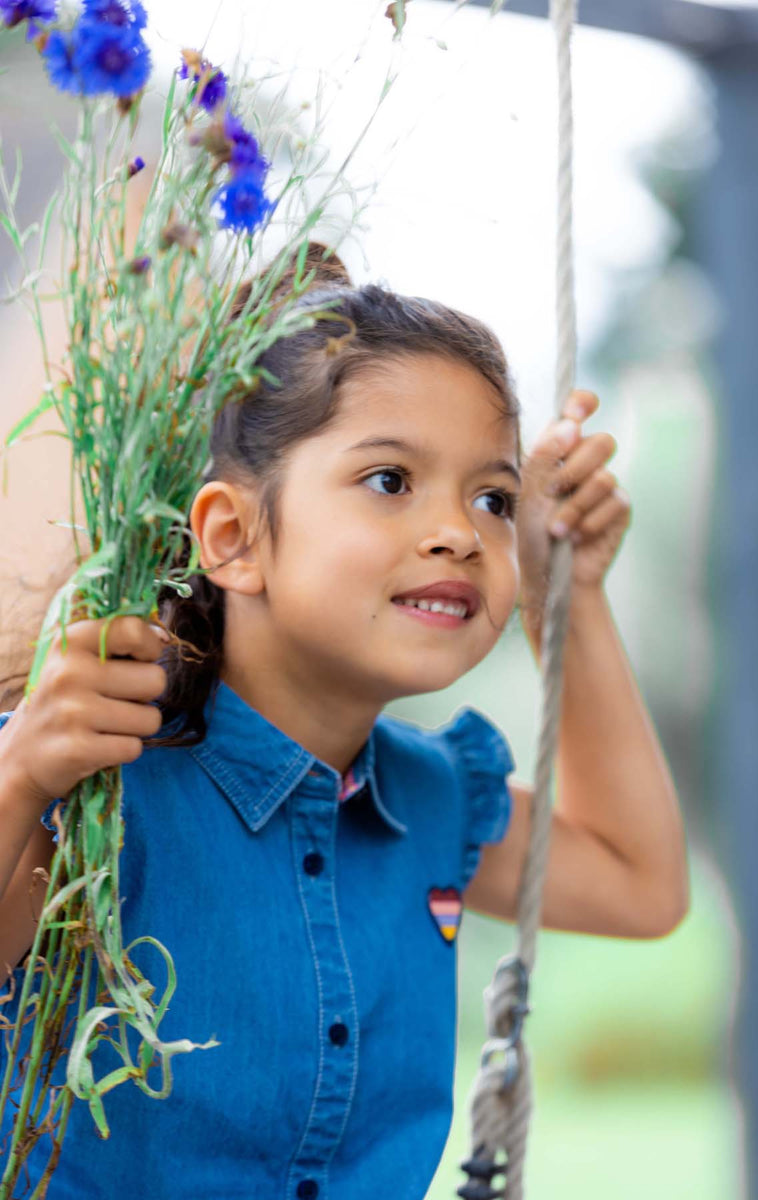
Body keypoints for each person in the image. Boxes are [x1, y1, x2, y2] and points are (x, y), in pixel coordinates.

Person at [0, 248, 688, 1199]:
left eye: (493, 499)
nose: (459, 530)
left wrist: (565, 597)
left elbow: (640, 885)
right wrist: (20, 781)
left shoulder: (433, 801)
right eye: (390, 480)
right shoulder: (91, 772)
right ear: (234, 538)